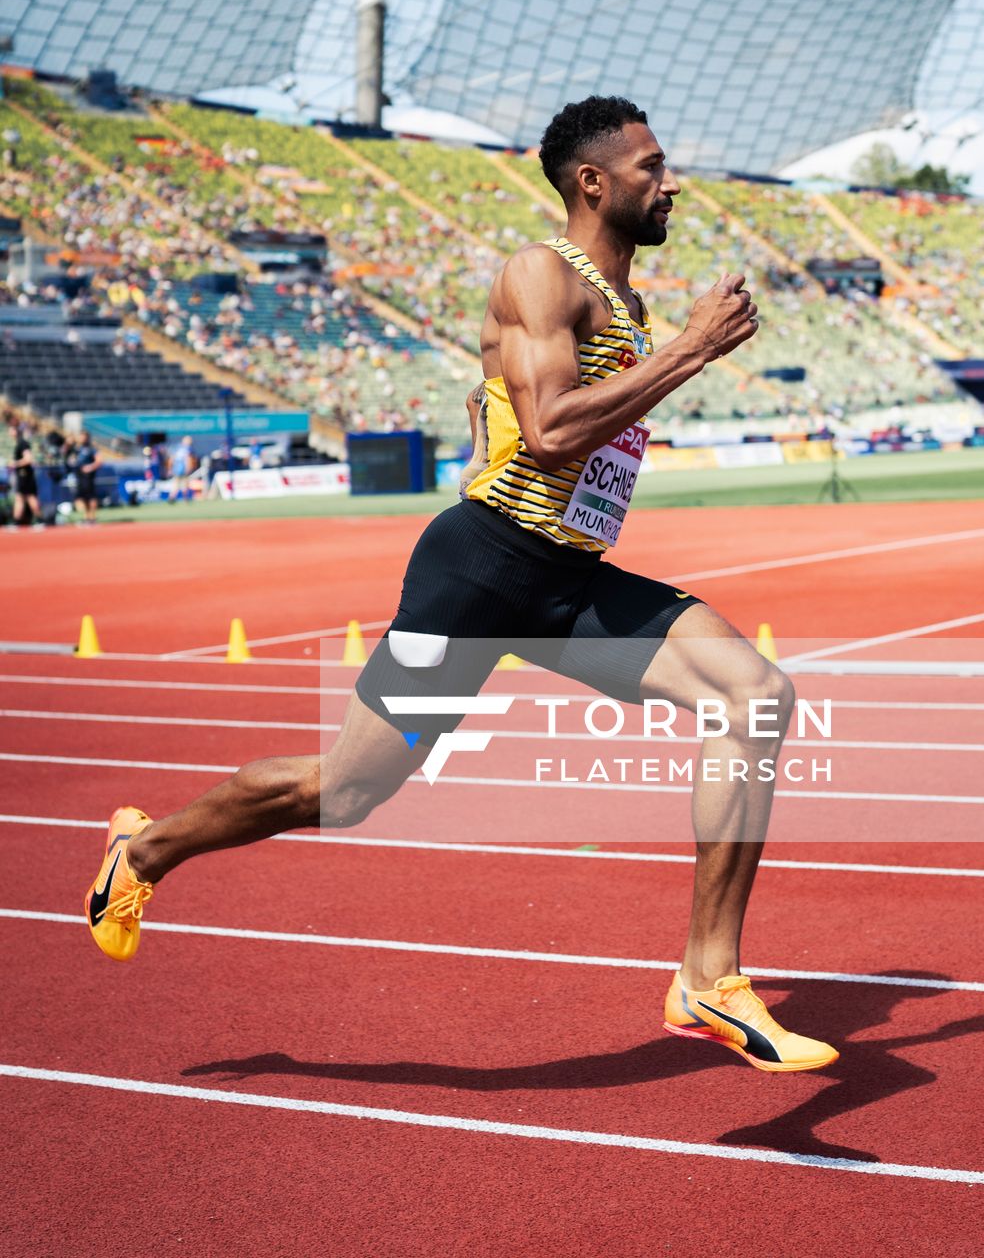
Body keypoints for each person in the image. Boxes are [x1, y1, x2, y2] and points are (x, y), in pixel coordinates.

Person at [85, 96, 837, 1074]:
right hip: (480, 577)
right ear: (593, 183)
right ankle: (143, 854)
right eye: (652, 168)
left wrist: (601, 370)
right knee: (344, 791)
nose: (672, 184)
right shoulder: (539, 272)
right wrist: (690, 349)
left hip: (567, 584)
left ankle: (708, 975)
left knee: (754, 697)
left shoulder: (626, 307)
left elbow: (530, 422)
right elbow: (554, 429)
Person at [11, 421, 40, 528]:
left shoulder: (22, 443)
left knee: (29, 497)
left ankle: (39, 520)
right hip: (23, 476)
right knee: (21, 498)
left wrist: (15, 463)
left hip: (25, 476)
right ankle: (17, 521)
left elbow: (28, 459)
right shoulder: (20, 443)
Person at [69, 431, 101, 523]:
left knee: (91, 496)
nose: (81, 438)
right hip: (79, 476)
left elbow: (99, 460)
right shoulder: (76, 448)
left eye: (82, 436)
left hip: (88, 477)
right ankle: (87, 517)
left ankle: (93, 517)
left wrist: (90, 467)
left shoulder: (91, 448)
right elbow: (71, 458)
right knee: (82, 497)